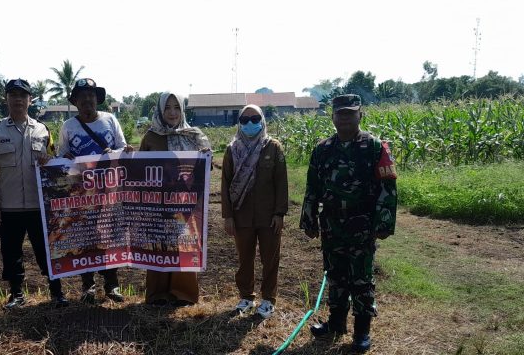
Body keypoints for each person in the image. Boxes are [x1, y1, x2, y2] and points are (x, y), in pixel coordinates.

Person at [300, 94, 397, 352]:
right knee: (335, 274)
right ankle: (335, 324)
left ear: (360, 116)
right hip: (331, 223)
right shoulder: (322, 149)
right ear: (332, 117)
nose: (344, 119)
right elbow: (312, 187)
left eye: (350, 113)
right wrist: (308, 218)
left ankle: (362, 331)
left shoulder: (375, 147)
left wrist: (384, 222)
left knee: (361, 278)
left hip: (361, 222)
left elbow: (388, 188)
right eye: (340, 114)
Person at [0, 79, 69, 309]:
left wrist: (48, 160)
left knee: (46, 251)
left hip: (38, 205)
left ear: (30, 100)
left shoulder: (42, 130)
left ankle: (57, 292)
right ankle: (16, 294)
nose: (18, 99)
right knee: (11, 253)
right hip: (8, 206)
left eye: (23, 95)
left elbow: (53, 161)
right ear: (6, 99)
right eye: (13, 95)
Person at [57, 77, 133, 304]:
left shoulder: (110, 120)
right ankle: (88, 285)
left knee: (110, 235)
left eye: (91, 96)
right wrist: (65, 158)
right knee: (85, 235)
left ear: (96, 99)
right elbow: (61, 156)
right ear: (76, 101)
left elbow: (122, 147)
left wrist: (124, 150)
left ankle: (112, 284)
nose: (87, 100)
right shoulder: (68, 126)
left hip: (110, 191)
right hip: (82, 194)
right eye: (82, 97)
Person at [139, 91, 210, 306]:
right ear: (160, 110)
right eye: (167, 108)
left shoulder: (195, 136)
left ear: (183, 110)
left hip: (186, 202)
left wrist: (206, 156)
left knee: (185, 245)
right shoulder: (151, 137)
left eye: (176, 107)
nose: (172, 113)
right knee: (159, 245)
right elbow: (139, 171)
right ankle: (158, 294)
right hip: (158, 203)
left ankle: (183, 294)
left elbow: (205, 172)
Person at [221, 104, 288, 319]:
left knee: (270, 259)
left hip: (269, 217)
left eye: (255, 118)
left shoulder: (273, 148)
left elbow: (281, 183)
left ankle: (268, 299)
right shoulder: (232, 150)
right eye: (245, 120)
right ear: (239, 123)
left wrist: (279, 213)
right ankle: (247, 297)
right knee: (244, 259)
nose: (250, 124)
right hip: (241, 216)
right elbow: (225, 184)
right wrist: (228, 216)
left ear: (262, 120)